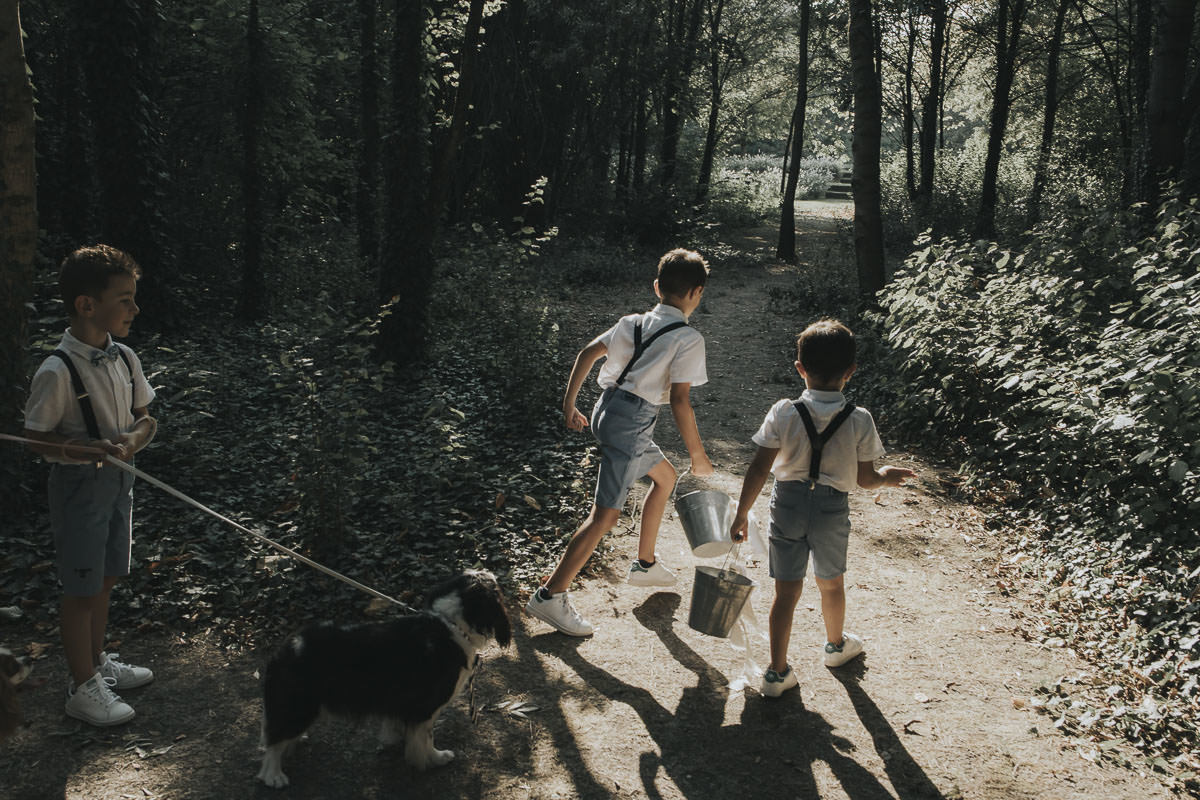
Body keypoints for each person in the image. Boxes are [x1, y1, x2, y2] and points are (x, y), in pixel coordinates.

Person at [526, 248, 714, 636]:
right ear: (697, 292)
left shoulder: (632, 321)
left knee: (664, 477)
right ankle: (550, 596)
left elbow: (588, 353)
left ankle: (645, 564)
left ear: (657, 286)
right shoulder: (688, 338)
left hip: (605, 410)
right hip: (631, 424)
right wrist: (698, 453)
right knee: (605, 516)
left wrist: (569, 404)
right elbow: (680, 400)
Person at [729, 319, 914, 697]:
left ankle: (777, 673)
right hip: (832, 509)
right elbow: (865, 480)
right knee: (831, 583)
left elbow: (759, 468)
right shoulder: (859, 420)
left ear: (800, 368)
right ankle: (835, 646)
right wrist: (886, 478)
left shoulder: (783, 411)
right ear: (850, 372)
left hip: (788, 505)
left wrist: (742, 513)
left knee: (785, 592)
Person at [23, 245, 159, 726]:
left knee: (104, 579)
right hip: (79, 489)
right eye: (124, 299)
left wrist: (130, 441)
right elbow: (37, 438)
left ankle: (98, 664)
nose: (134, 308)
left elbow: (146, 420)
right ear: (86, 305)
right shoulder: (58, 370)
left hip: (118, 484)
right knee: (80, 589)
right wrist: (79, 448)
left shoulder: (124, 357)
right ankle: (81, 688)